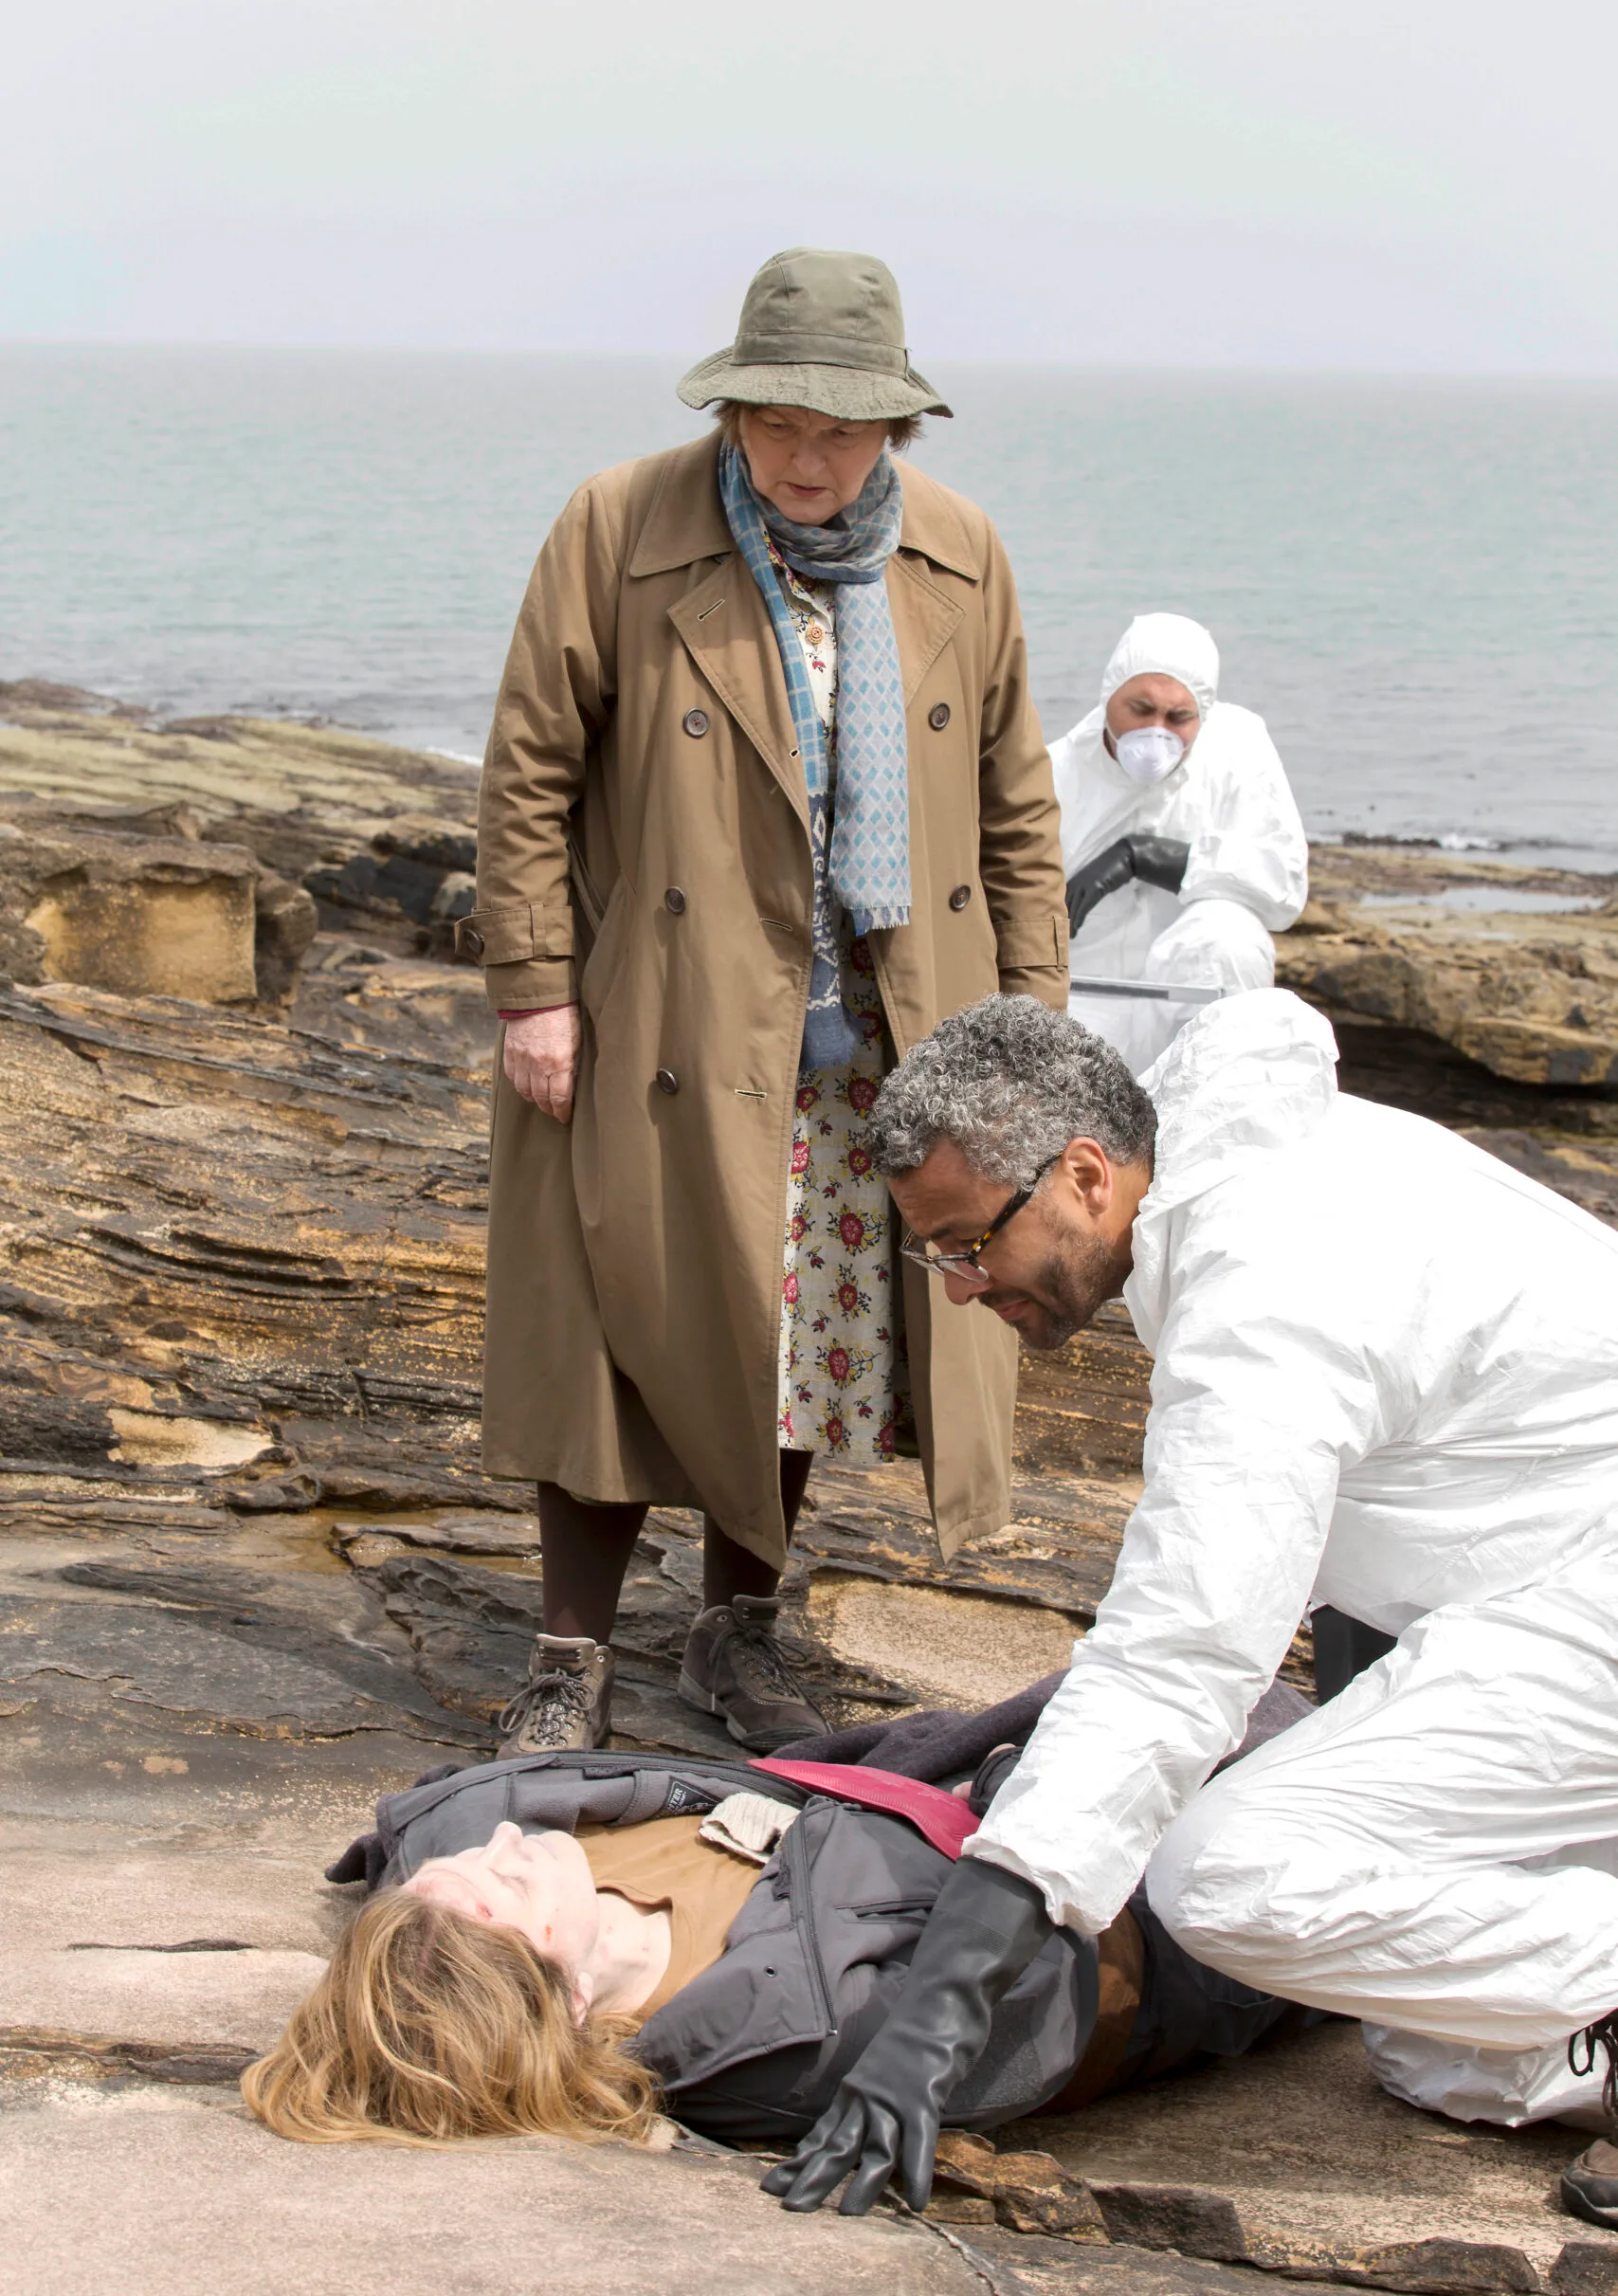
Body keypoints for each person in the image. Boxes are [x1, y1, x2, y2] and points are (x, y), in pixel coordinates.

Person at [762, 989, 1618, 2226]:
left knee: (1230, 1879)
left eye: (962, 1244)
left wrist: (927, 2027)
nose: (953, 1288)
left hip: (1588, 1607)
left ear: (1083, 1175)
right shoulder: (1241, 1165)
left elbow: (1182, 1655)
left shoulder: (1260, 1284)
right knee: (1434, 2046)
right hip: (1556, 1597)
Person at [457, 248, 1067, 1758]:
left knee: (807, 1335)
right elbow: (527, 770)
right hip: (658, 1015)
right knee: (611, 1320)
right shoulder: (618, 522)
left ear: (895, 431)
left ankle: (735, 1634)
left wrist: (1035, 1031)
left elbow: (1014, 808)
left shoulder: (958, 551)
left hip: (884, 1035)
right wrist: (536, 989)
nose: (808, 456)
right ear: (734, 407)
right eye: (780, 419)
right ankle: (567, 1654)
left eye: (843, 428)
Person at [242, 1706, 1313, 2147]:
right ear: (565, 2000)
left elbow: (430, 1818)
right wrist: (1028, 1785)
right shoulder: (808, 2036)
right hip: (1158, 1917)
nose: (495, 1850)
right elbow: (1049, 1995)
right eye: (499, 1888)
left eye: (441, 1879)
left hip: (921, 1766)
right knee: (1320, 1730)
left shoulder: (475, 1858)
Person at [1049, 612, 1307, 1074]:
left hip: (1192, 1016)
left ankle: (1224, 1098)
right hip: (1081, 1006)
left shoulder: (1237, 750)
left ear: (1203, 714)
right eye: (1140, 710)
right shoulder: (1056, 773)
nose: (1157, 731)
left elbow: (1282, 887)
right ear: (1109, 696)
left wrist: (1150, 857)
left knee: (1228, 932)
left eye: (1179, 717)